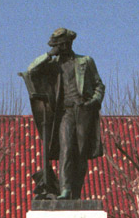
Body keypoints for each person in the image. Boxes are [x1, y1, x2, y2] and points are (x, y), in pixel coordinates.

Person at [21, 28, 105, 199]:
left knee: (81, 153)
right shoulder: (53, 64)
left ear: (68, 44)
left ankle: (76, 192)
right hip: (65, 112)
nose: (59, 47)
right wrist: (49, 54)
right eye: (56, 45)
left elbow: (99, 85)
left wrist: (94, 100)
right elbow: (30, 71)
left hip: (83, 110)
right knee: (65, 150)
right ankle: (65, 189)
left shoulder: (85, 61)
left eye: (60, 44)